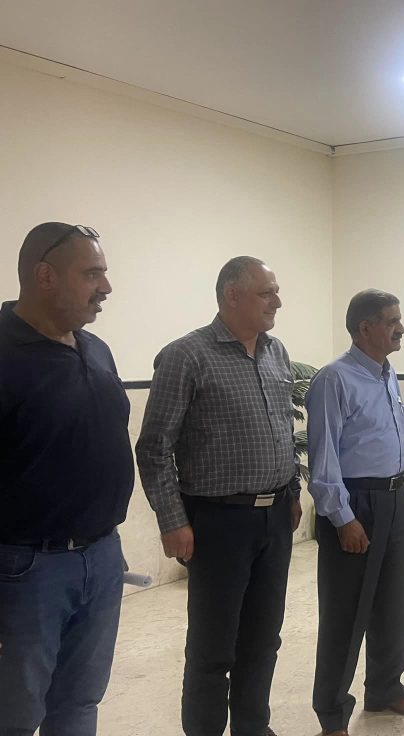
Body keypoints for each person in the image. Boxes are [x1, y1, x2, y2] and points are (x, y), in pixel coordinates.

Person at [136, 256, 301, 736]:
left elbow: (283, 431)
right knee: (213, 647)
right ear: (232, 295)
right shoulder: (186, 356)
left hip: (274, 519)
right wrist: (172, 520)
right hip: (218, 523)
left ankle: (253, 726)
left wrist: (291, 490)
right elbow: (154, 447)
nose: (277, 301)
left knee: (263, 638)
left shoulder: (276, 352)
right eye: (267, 292)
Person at [0, 222, 134, 735]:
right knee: (15, 712)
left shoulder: (96, 349)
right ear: (45, 276)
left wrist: (105, 545)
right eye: (92, 274)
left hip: (101, 556)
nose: (106, 287)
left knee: (80, 701)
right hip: (26, 569)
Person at [307, 289, 404, 736]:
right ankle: (332, 715)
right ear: (365, 328)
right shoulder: (334, 380)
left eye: (399, 319)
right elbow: (323, 459)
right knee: (345, 616)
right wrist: (343, 518)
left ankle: (385, 688)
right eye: (391, 321)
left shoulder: (386, 373)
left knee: (393, 606)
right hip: (356, 503)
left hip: (395, 499)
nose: (401, 328)